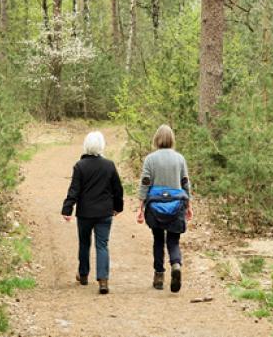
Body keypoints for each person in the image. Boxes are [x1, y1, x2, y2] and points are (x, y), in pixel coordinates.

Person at [61, 131, 124, 294]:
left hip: (85, 213)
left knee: (84, 243)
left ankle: (83, 275)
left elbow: (74, 190)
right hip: (104, 212)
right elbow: (118, 189)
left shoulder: (80, 166)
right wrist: (118, 207)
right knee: (102, 244)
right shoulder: (109, 165)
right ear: (102, 146)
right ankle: (103, 280)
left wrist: (67, 208)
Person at [136, 125, 193, 293]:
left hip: (155, 207)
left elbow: (145, 183)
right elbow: (185, 183)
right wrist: (189, 204)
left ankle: (159, 276)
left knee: (158, 240)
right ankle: (176, 264)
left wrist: (140, 207)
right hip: (176, 205)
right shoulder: (180, 159)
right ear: (172, 139)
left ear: (156, 139)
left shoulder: (150, 159)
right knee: (173, 240)